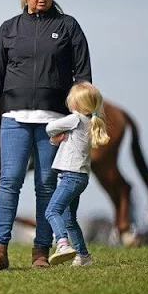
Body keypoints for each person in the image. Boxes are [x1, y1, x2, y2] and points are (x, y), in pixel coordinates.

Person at [0, 0, 92, 271]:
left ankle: (41, 251)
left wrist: (81, 120)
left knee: (46, 185)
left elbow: (83, 79)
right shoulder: (9, 28)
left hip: (54, 121)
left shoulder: (69, 27)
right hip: (13, 118)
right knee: (9, 181)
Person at [45, 82, 109, 266]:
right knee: (69, 219)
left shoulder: (76, 118)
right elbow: (66, 142)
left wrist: (56, 133)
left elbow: (50, 127)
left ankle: (62, 244)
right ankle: (84, 257)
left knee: (52, 211)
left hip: (70, 177)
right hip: (79, 177)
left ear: (76, 104)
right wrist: (56, 139)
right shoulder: (89, 122)